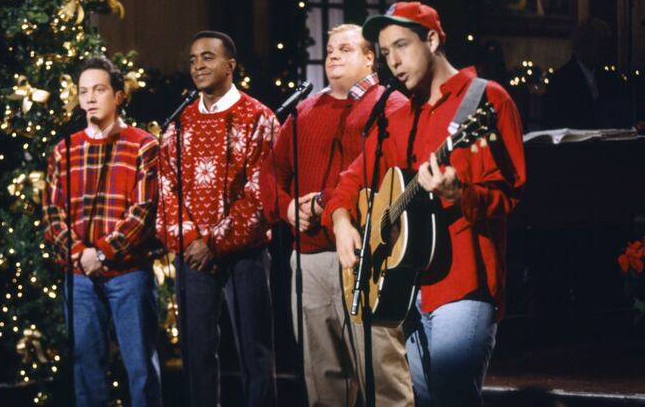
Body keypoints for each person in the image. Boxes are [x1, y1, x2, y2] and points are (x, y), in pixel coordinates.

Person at [323, 2, 526, 407]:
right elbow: (353, 179)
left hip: (466, 283)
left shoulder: (485, 100)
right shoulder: (399, 117)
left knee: (454, 397)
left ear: (432, 39)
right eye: (385, 54)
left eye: (402, 46)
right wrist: (342, 220)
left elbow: (512, 195)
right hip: (408, 286)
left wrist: (459, 193)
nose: (394, 62)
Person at [260, 23, 414, 406]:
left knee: (382, 374)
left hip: (366, 254)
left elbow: (390, 173)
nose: (333, 56)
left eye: (345, 49)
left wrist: (323, 202)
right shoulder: (303, 111)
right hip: (310, 259)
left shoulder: (390, 106)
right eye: (330, 50)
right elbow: (271, 173)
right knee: (323, 377)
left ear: (368, 58)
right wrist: (288, 207)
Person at [156, 31, 279, 407]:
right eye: (193, 60)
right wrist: (192, 240)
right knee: (196, 353)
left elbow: (261, 192)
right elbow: (166, 189)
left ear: (231, 65)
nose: (198, 66)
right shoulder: (179, 123)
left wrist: (215, 242)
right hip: (192, 255)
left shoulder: (259, 117)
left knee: (255, 353)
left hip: (245, 254)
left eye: (207, 58)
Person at [44, 56, 163, 407]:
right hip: (79, 275)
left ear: (118, 95)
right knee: (86, 366)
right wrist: (81, 253)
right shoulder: (64, 150)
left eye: (99, 89)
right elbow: (53, 214)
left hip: (129, 274)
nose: (90, 98)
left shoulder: (143, 145)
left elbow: (142, 212)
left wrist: (104, 252)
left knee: (140, 366)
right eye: (83, 91)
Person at [543, 17, 631, 129]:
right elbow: (555, 123)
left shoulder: (610, 78)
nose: (604, 51)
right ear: (583, 45)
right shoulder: (561, 80)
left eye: (605, 45)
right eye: (599, 44)